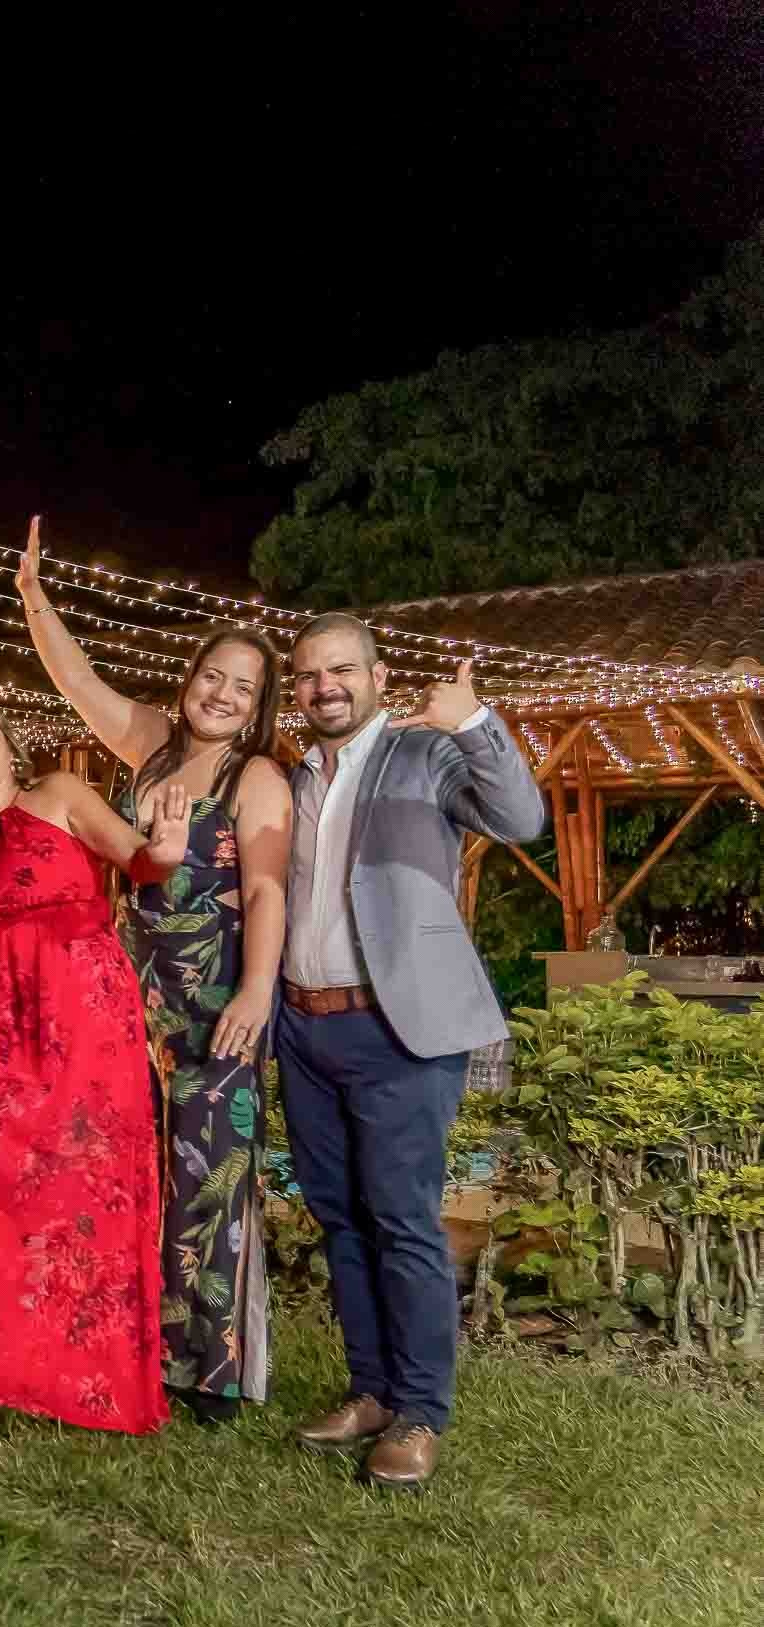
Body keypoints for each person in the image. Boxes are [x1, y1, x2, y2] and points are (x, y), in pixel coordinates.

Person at [15, 517, 292, 1424]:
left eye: (240, 687)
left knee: (210, 1174)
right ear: (190, 680)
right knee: (129, 1168)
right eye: (211, 674)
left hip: (219, 1003)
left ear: (257, 707)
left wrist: (256, 989)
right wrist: (34, 598)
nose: (220, 693)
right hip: (130, 995)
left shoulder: (258, 778)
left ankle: (208, 1376)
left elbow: (265, 888)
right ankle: (123, 1343)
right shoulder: (152, 744)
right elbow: (77, 679)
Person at [278, 614, 544, 1489]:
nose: (327, 686)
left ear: (379, 675)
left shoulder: (425, 755)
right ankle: (372, 1389)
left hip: (401, 1026)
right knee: (340, 1215)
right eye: (312, 674)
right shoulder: (291, 778)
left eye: (343, 670)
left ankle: (422, 1410)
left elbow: (520, 816)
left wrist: (473, 719)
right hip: (306, 1025)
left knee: (401, 1218)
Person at [0, 695, 189, 1436]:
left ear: (8, 742)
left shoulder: (59, 795)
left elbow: (141, 860)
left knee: (87, 1177)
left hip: (80, 1000)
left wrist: (167, 843)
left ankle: (85, 1374)